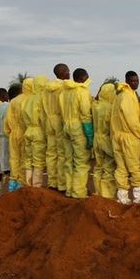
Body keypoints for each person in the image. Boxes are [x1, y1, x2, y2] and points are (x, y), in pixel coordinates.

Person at [60, 68, 93, 199]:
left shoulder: (66, 91)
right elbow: (85, 113)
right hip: (78, 128)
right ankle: (79, 192)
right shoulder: (82, 91)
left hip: (66, 126)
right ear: (83, 77)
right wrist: (89, 134)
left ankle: (69, 189)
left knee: (68, 160)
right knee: (81, 162)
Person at [112, 72, 140, 204]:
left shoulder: (119, 96)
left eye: (136, 81)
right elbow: (132, 120)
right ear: (127, 81)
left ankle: (123, 197)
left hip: (117, 136)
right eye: (132, 81)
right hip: (129, 137)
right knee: (135, 167)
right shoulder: (127, 96)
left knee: (121, 168)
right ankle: (138, 198)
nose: (135, 83)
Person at [43, 63, 70, 191]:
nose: (69, 74)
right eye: (67, 71)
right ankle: (62, 184)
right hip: (59, 120)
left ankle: (52, 182)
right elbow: (64, 106)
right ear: (62, 72)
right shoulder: (63, 88)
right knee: (61, 153)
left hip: (49, 120)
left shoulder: (46, 89)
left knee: (51, 153)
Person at [92, 82, 117, 199]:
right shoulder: (110, 108)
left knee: (98, 166)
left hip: (96, 139)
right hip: (106, 139)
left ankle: (97, 191)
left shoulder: (95, 106)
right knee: (109, 166)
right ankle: (107, 194)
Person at [22, 77, 47, 188]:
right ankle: (36, 187)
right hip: (39, 131)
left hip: (28, 131)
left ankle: (28, 185)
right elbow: (43, 117)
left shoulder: (27, 99)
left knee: (28, 159)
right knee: (38, 161)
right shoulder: (42, 98)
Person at [4, 81, 27, 192]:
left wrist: (9, 132)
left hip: (13, 133)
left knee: (14, 159)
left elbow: (7, 120)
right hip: (25, 133)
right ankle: (21, 184)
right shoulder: (30, 100)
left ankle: (12, 183)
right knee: (24, 159)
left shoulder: (13, 101)